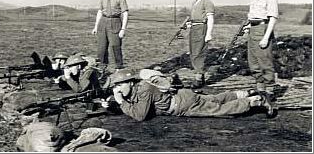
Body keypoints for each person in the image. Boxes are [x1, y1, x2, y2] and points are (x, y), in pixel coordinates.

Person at [101, 69, 275, 122]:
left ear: (130, 82)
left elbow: (139, 115)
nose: (117, 89)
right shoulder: (137, 87)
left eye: (119, 85)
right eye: (115, 86)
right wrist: (112, 103)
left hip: (183, 106)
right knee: (214, 99)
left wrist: (121, 101)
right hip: (184, 96)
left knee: (219, 110)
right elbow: (134, 101)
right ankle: (245, 92)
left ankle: (255, 100)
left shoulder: (144, 88)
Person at [243, 0, 279, 94]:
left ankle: (269, 90)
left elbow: (272, 18)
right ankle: (260, 90)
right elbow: (254, 16)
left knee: (264, 61)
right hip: (253, 30)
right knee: (253, 61)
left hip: (262, 30)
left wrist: (265, 37)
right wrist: (248, 26)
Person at [92, 0, 129, 71]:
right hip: (103, 23)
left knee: (115, 46)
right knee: (101, 47)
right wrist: (96, 27)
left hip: (115, 22)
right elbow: (100, 12)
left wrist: (123, 29)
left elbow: (125, 13)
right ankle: (102, 68)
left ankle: (119, 68)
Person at [187, 0, 215, 89]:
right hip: (194, 29)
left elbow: (211, 18)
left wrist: (209, 34)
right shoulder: (195, 3)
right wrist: (191, 23)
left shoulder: (207, 2)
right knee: (193, 52)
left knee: (199, 53)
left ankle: (198, 78)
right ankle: (200, 76)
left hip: (202, 29)